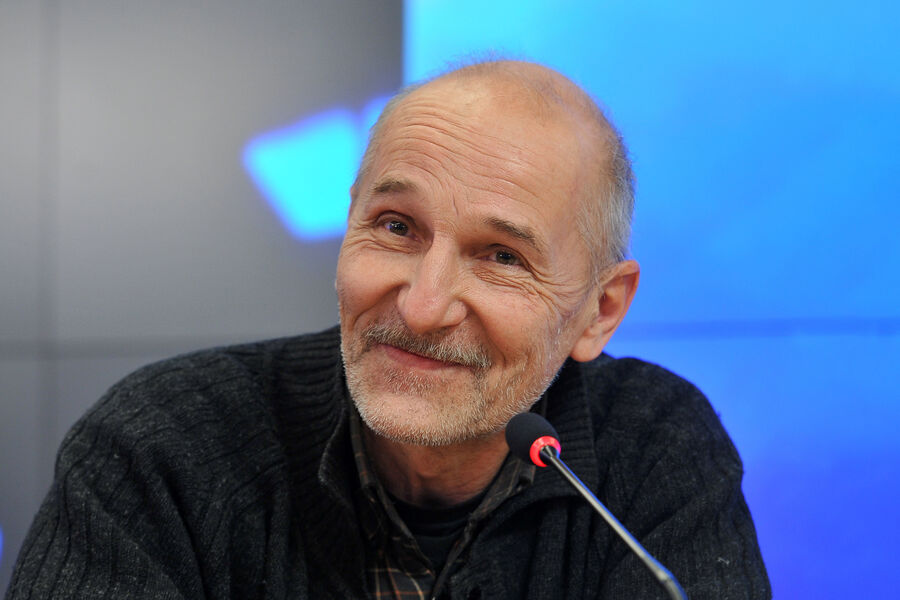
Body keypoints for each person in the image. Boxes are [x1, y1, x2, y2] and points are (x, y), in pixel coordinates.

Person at [5, 60, 770, 599]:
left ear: (600, 311)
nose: (423, 307)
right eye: (397, 227)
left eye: (502, 257)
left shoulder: (653, 447)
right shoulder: (163, 447)